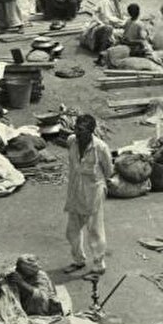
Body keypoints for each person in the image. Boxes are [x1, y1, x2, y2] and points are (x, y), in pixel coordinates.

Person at [64, 113, 113, 277]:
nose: (78, 133)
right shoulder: (71, 141)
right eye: (76, 128)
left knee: (95, 231)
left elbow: (109, 171)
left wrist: (98, 185)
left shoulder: (100, 147)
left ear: (91, 131)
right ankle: (78, 260)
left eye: (82, 130)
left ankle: (99, 265)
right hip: (75, 191)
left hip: (93, 191)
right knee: (71, 231)